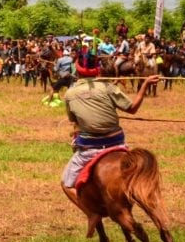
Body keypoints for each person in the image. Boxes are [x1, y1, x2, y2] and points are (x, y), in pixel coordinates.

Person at [60, 50, 159, 211]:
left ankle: (91, 213)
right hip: (117, 144)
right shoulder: (108, 87)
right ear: (97, 69)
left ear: (77, 70)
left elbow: (74, 121)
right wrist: (145, 84)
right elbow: (132, 108)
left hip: (90, 148)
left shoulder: (70, 94)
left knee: (66, 183)